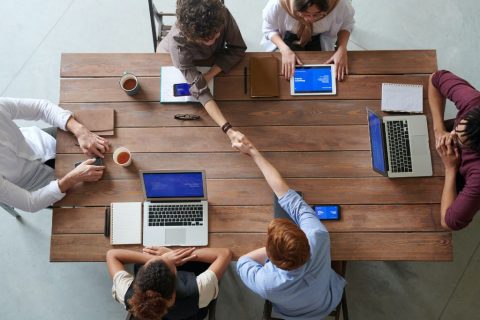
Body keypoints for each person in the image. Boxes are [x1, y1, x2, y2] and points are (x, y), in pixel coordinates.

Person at [233, 136, 346, 319]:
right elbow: (290, 198)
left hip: (290, 314)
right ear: (305, 239)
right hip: (328, 301)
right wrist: (253, 152)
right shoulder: (318, 236)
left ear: (269, 256)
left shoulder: (266, 283)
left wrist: (252, 152)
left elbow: (243, 261)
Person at [158, 0, 247, 145]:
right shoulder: (177, 42)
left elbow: (237, 48)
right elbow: (199, 89)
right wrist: (228, 129)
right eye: (206, 39)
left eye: (216, 34)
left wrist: (210, 74)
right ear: (190, 34)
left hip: (210, 60)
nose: (213, 40)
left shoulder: (221, 14)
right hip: (172, 57)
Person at [0, 97, 108, 212]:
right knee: (96, 201)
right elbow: (30, 202)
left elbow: (41, 108)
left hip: (43, 141)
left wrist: (80, 131)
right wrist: (72, 178)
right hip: (41, 185)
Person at [107, 246, 232, 320]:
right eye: (174, 267)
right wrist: (177, 254)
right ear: (173, 296)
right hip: (191, 314)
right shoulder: (199, 291)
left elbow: (112, 254)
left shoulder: (128, 295)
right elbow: (225, 253)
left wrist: (164, 258)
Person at [428, 70, 480, 230]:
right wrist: (439, 129)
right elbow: (435, 78)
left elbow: (449, 222)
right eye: (457, 130)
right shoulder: (474, 102)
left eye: (459, 140)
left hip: (455, 169)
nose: (451, 136)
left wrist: (451, 168)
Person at [262, 0, 355, 81]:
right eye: (305, 14)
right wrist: (284, 50)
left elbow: (346, 24)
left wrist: (342, 49)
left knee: (320, 72)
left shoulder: (340, 4)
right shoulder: (277, 4)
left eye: (317, 14)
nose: (310, 19)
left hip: (319, 35)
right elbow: (269, 29)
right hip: (289, 34)